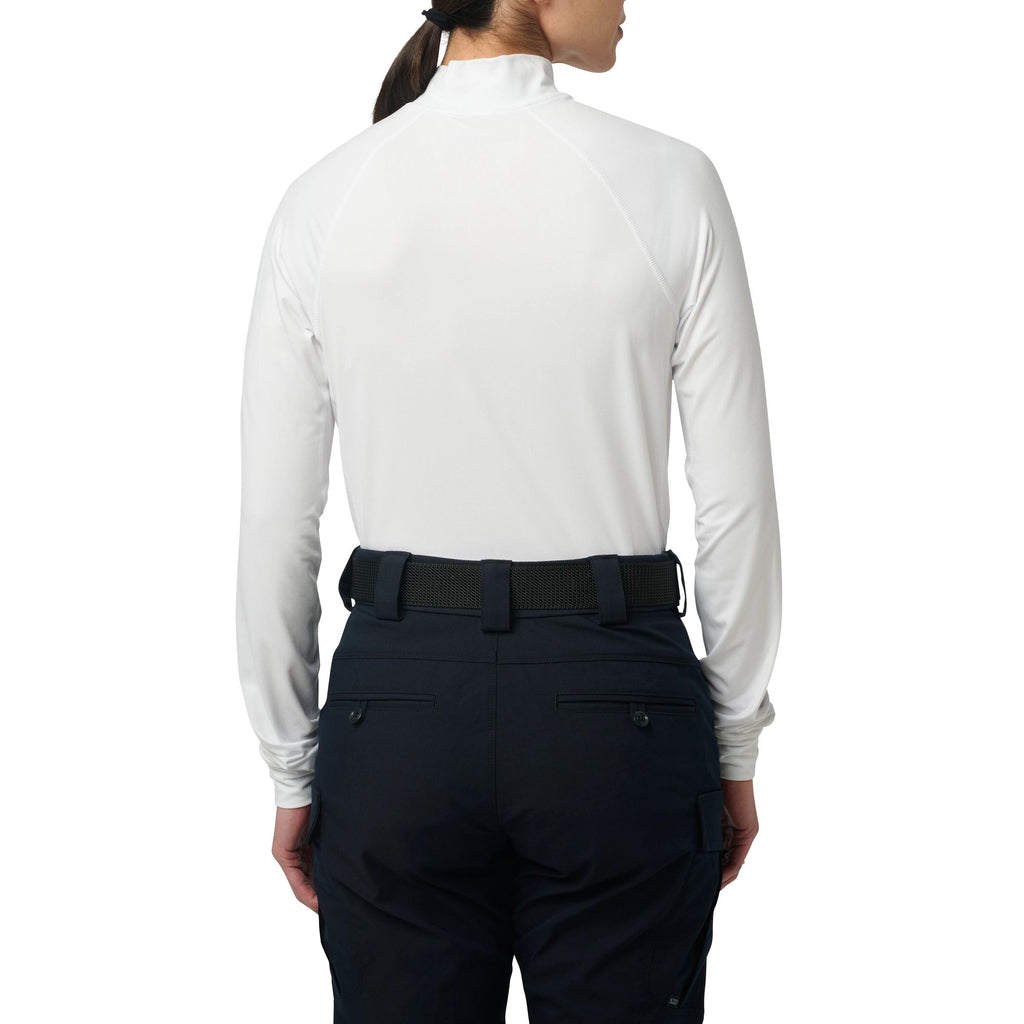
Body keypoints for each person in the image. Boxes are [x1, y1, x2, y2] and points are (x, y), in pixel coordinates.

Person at [235, 2, 782, 1021]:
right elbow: (735, 504)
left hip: (396, 715)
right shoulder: (670, 182)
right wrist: (736, 740)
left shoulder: (324, 198)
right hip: (618, 711)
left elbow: (277, 520)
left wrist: (290, 765)